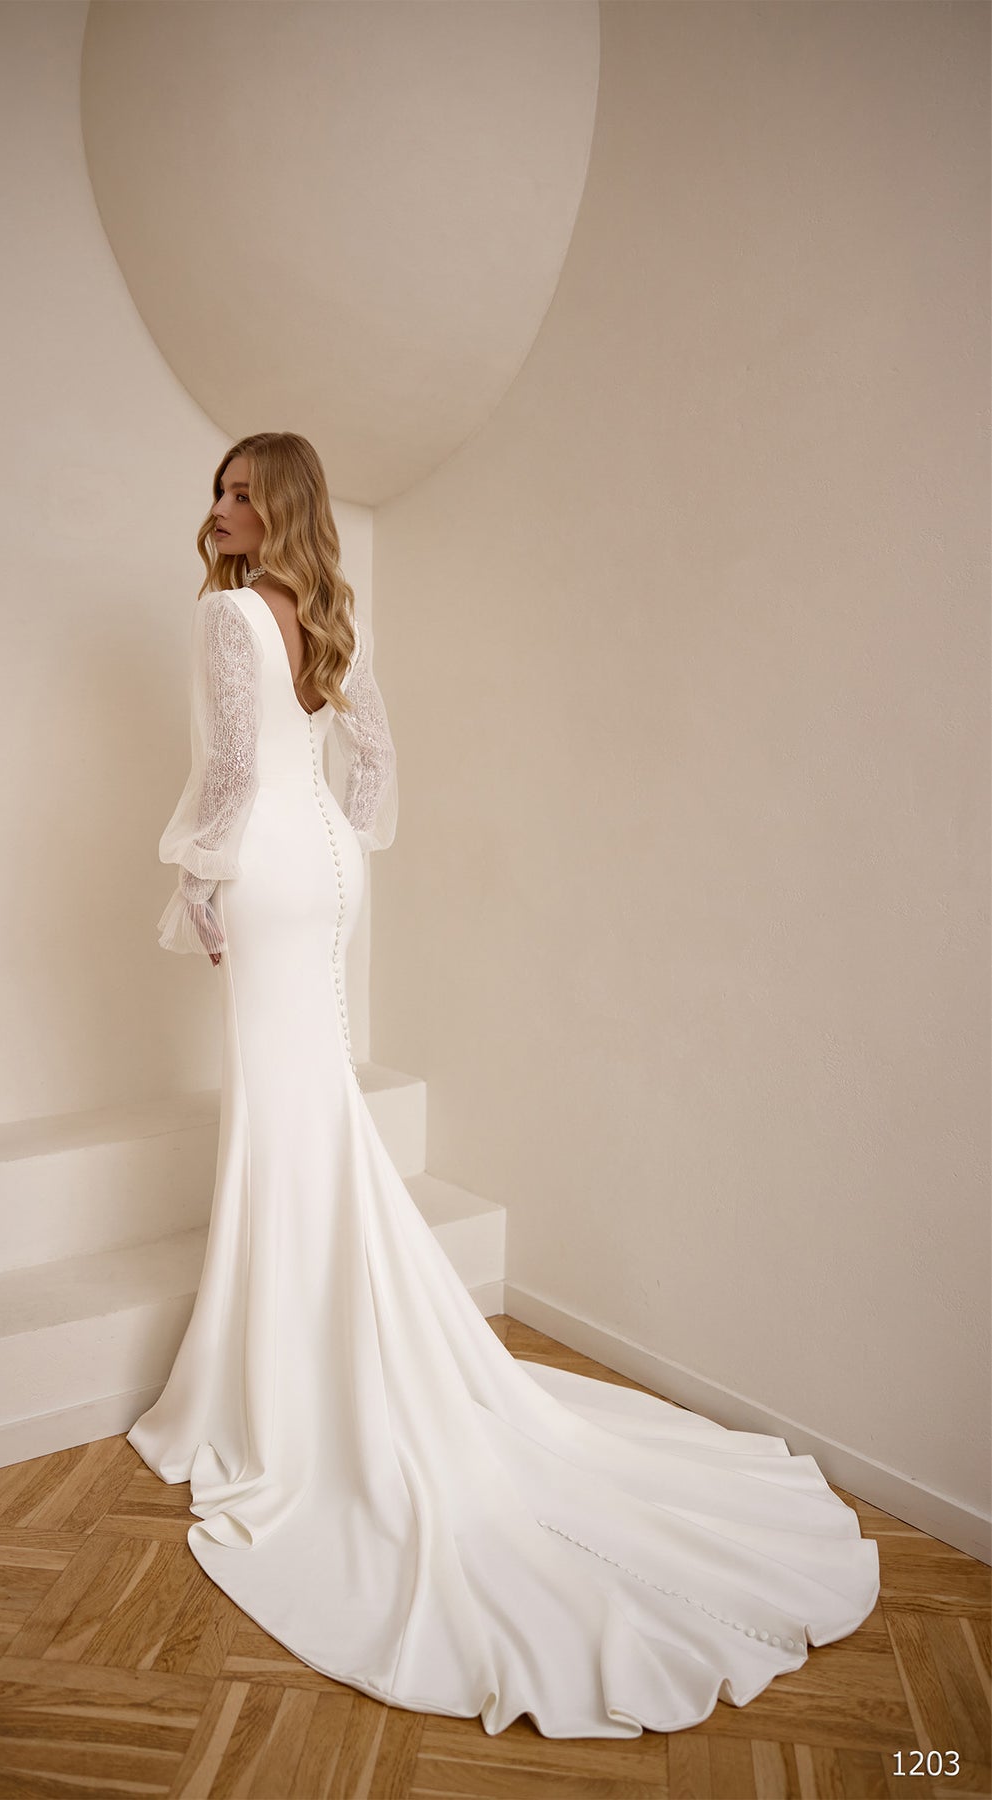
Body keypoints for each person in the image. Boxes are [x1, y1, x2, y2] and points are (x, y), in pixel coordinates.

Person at [127, 432, 880, 1739]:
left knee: (283, 1115)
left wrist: (198, 881)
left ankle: (284, 1383)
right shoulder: (329, 614)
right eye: (220, 490)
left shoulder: (227, 616)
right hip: (326, 875)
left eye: (244, 493)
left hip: (262, 871)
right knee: (309, 1109)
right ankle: (314, 1349)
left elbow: (237, 771)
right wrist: (335, 843)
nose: (223, 508)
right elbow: (372, 766)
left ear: (282, 505)